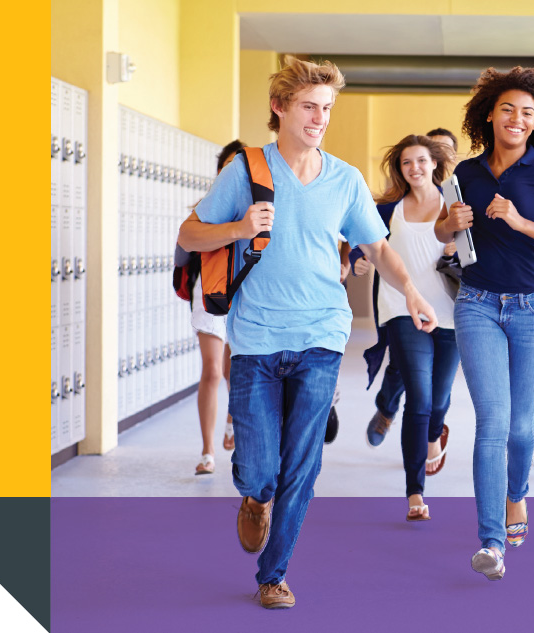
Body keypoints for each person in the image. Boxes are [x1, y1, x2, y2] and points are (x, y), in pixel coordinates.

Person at [177, 56, 438, 610]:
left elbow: (377, 248)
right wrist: (238, 228)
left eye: (327, 109)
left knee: (303, 464)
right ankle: (254, 497)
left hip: (321, 335)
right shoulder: (246, 171)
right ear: (280, 108)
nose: (320, 118)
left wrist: (412, 292)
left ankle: (274, 574)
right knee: (258, 464)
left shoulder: (345, 178)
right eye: (308, 107)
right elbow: (191, 234)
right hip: (255, 340)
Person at [435, 66, 534, 581]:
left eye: (527, 112)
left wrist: (521, 221)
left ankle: (517, 494)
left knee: (523, 427)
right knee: (492, 423)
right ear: (489, 115)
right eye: (507, 109)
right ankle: (490, 541)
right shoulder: (468, 172)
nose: (517, 119)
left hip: (532, 308)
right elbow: (442, 228)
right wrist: (449, 224)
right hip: (477, 303)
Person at [367, 134, 460, 520]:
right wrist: (356, 260)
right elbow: (370, 244)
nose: (415, 168)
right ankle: (414, 492)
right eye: (407, 163)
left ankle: (431, 432)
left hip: (451, 311)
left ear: (435, 163)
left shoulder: (454, 203)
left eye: (422, 161)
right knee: (420, 398)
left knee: (439, 401)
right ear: (400, 168)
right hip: (403, 309)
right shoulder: (390, 207)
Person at [186, 140, 244, 475]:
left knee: (235, 370)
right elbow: (188, 243)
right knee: (211, 370)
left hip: (244, 293)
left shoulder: (258, 204)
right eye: (227, 163)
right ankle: (207, 451)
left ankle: (233, 419)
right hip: (209, 292)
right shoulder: (204, 207)